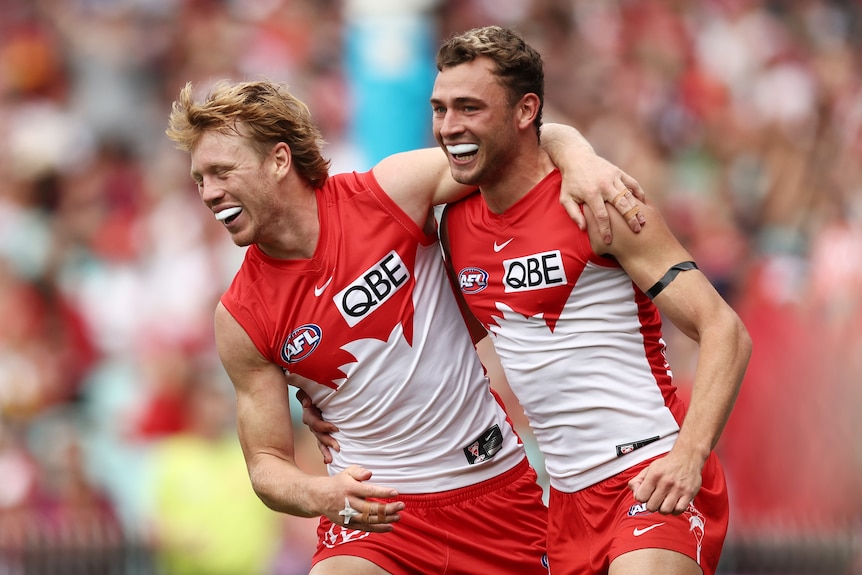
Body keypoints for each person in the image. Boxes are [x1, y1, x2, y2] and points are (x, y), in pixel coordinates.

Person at [165, 78, 645, 575]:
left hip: (495, 493)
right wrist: (318, 493)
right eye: (200, 179)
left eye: (221, 171)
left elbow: (514, 145)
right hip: (378, 522)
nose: (208, 193)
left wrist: (580, 156)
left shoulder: (387, 192)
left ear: (279, 160)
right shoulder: (240, 316)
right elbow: (265, 461)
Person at [434, 26, 752, 575]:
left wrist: (689, 457)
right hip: (565, 506)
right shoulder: (455, 224)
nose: (449, 127)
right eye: (439, 109)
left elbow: (725, 329)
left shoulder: (598, 201)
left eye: (468, 107)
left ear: (524, 110)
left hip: (652, 474)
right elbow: (442, 345)